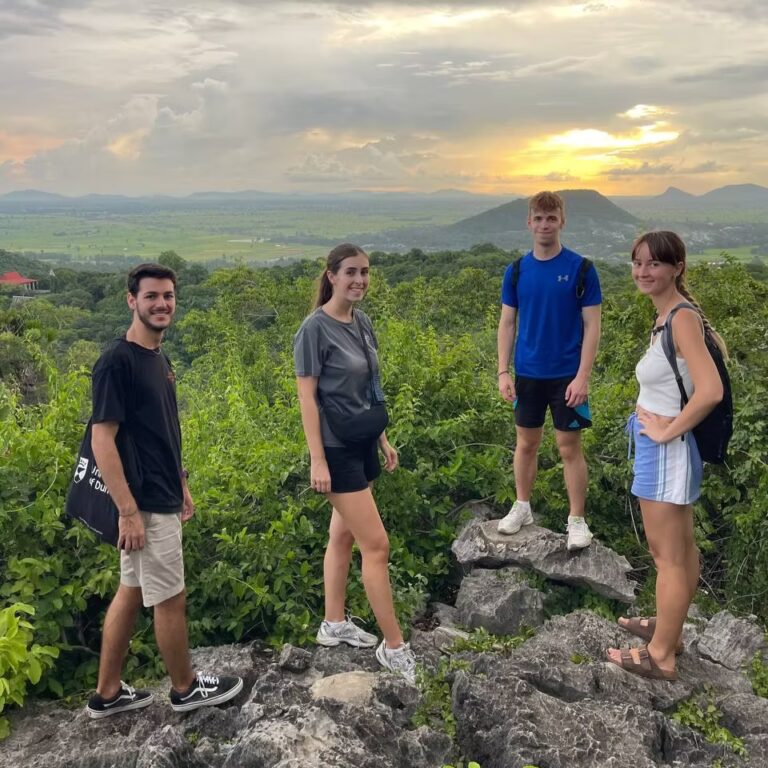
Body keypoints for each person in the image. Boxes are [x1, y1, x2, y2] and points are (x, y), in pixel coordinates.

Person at [85, 263, 242, 718]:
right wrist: (128, 511)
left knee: (131, 590)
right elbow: (102, 439)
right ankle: (185, 688)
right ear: (131, 300)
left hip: (161, 491)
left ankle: (108, 693)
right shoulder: (117, 361)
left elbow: (162, 431)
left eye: (168, 296)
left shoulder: (158, 358)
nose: (161, 304)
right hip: (145, 504)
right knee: (171, 597)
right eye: (151, 296)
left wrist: (182, 481)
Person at [293, 243, 416, 683]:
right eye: (350, 272)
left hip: (361, 441)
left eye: (365, 272)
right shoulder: (314, 329)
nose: (359, 280)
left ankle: (334, 623)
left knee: (342, 538)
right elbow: (307, 398)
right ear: (330, 275)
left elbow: (370, 387)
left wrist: (383, 439)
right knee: (377, 546)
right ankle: (395, 646)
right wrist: (318, 460)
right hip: (335, 450)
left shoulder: (361, 322)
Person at [607, 231, 724, 681]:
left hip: (668, 451)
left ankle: (660, 655)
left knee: (666, 556)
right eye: (637, 262)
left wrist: (666, 429)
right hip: (664, 449)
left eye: (654, 263)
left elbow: (709, 390)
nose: (642, 271)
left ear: (677, 267)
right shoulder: (666, 318)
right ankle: (669, 629)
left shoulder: (680, 319)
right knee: (680, 550)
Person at [496, 191, 602, 550]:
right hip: (528, 373)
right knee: (525, 443)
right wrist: (503, 371)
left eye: (551, 218)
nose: (544, 224)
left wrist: (583, 376)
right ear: (529, 222)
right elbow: (507, 324)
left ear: (562, 221)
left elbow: (592, 327)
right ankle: (522, 505)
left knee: (569, 446)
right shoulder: (517, 270)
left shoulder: (581, 269)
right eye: (538, 218)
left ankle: (576, 521)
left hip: (567, 376)